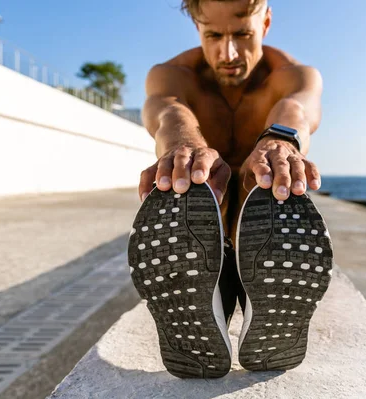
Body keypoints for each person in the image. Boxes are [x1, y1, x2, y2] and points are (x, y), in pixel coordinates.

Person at [128, 0, 333, 379]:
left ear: (266, 22)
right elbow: (166, 111)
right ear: (197, 30)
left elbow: (298, 108)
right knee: (189, 187)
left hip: (261, 231)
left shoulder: (295, 75)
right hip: (209, 238)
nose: (229, 53)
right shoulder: (172, 75)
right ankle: (216, 292)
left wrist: (281, 142)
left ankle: (248, 291)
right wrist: (181, 146)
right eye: (213, 35)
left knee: (273, 183)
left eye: (242, 34)